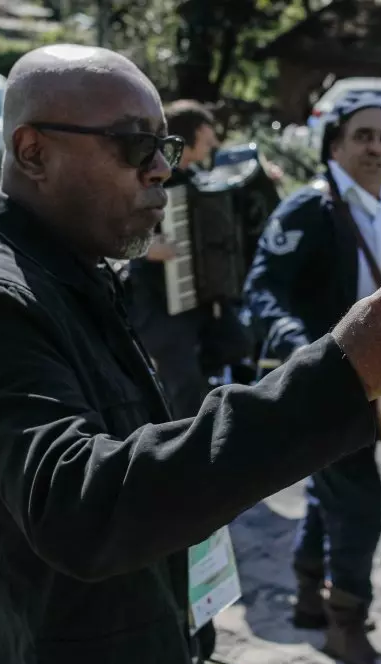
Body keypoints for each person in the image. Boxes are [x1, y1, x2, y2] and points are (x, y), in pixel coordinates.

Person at [0, 44, 381, 664]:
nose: (160, 170)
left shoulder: (65, 263)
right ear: (33, 151)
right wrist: (342, 372)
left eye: (166, 147)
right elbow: (82, 506)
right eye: (132, 145)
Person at [243, 92, 381, 664]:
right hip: (335, 381)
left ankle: (306, 597)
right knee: (361, 503)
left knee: (333, 492)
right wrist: (300, 343)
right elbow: (262, 289)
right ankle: (347, 628)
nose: (376, 148)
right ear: (337, 144)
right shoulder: (310, 209)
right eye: (364, 136)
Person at [123, 99, 243, 424]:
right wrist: (147, 247)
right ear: (196, 132)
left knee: (235, 344)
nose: (215, 141)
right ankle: (185, 451)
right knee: (183, 383)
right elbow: (112, 226)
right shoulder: (149, 175)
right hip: (156, 299)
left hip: (195, 298)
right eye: (209, 133)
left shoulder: (195, 178)